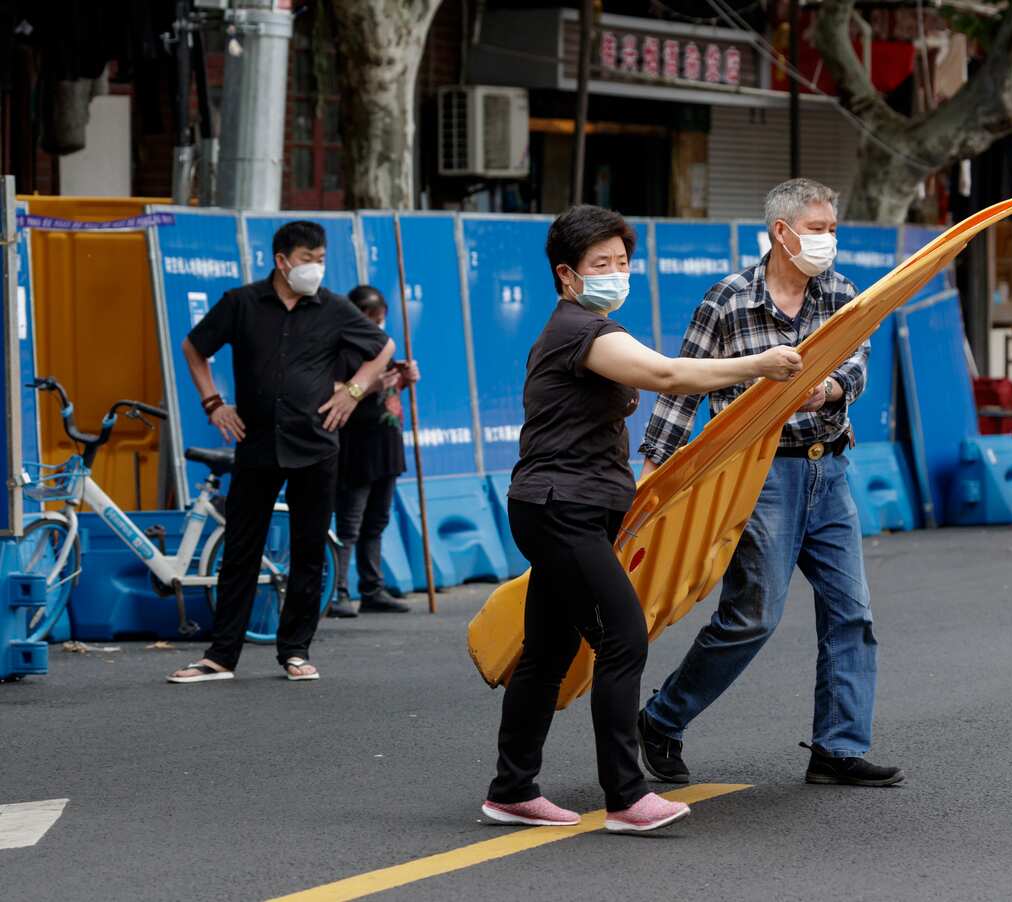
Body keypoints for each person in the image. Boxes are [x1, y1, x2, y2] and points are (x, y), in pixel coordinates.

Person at [482, 204, 803, 834]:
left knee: (547, 653)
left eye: (622, 262)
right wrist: (757, 366)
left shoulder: (594, 326)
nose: (614, 272)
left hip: (568, 507)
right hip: (559, 510)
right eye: (599, 264)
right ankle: (626, 798)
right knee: (622, 634)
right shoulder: (582, 330)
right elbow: (666, 374)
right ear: (567, 276)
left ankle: (511, 789)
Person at [635, 178, 904, 788]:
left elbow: (856, 359)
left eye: (833, 229)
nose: (829, 240)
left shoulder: (840, 292)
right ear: (781, 233)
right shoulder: (727, 300)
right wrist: (651, 472)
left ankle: (837, 748)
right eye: (818, 229)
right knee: (752, 616)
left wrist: (832, 387)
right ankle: (661, 718)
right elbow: (685, 385)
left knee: (852, 613)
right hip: (761, 474)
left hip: (829, 466)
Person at [167, 221, 393, 684]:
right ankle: (221, 656)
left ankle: (295, 651)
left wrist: (352, 391)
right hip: (257, 441)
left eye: (321, 259)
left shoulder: (333, 307)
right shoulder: (241, 303)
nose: (316, 267)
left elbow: (383, 347)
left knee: (309, 551)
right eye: (308, 259)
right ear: (282, 261)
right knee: (240, 550)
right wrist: (213, 403)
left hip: (315, 443)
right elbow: (194, 347)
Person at [326, 285, 419, 618]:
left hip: (386, 446)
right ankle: (337, 591)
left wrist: (406, 378)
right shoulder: (341, 351)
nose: (377, 325)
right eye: (371, 319)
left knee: (376, 521)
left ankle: (372, 587)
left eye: (381, 319)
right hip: (356, 447)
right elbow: (332, 391)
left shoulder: (382, 348)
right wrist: (374, 385)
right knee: (349, 523)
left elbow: (392, 386)